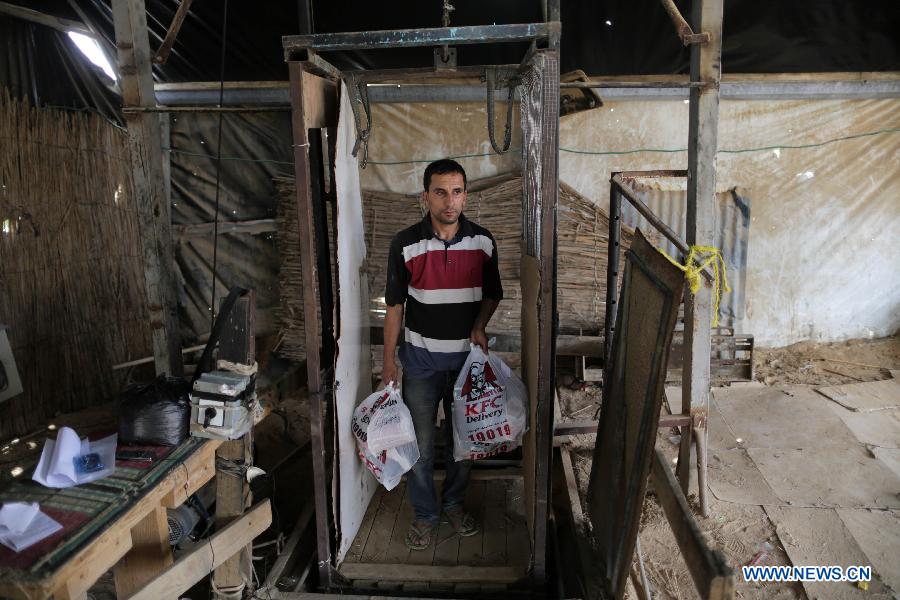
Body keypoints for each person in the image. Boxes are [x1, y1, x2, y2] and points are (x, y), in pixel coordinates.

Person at [382, 159, 503, 550]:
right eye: (440, 192)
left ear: (466, 194)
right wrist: (389, 364)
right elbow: (395, 309)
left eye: (456, 191)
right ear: (425, 196)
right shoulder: (405, 244)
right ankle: (425, 514)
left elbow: (492, 293)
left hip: (467, 366)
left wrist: (480, 324)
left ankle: (452, 503)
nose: (449, 201)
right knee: (418, 445)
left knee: (463, 441)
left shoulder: (483, 243)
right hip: (419, 363)